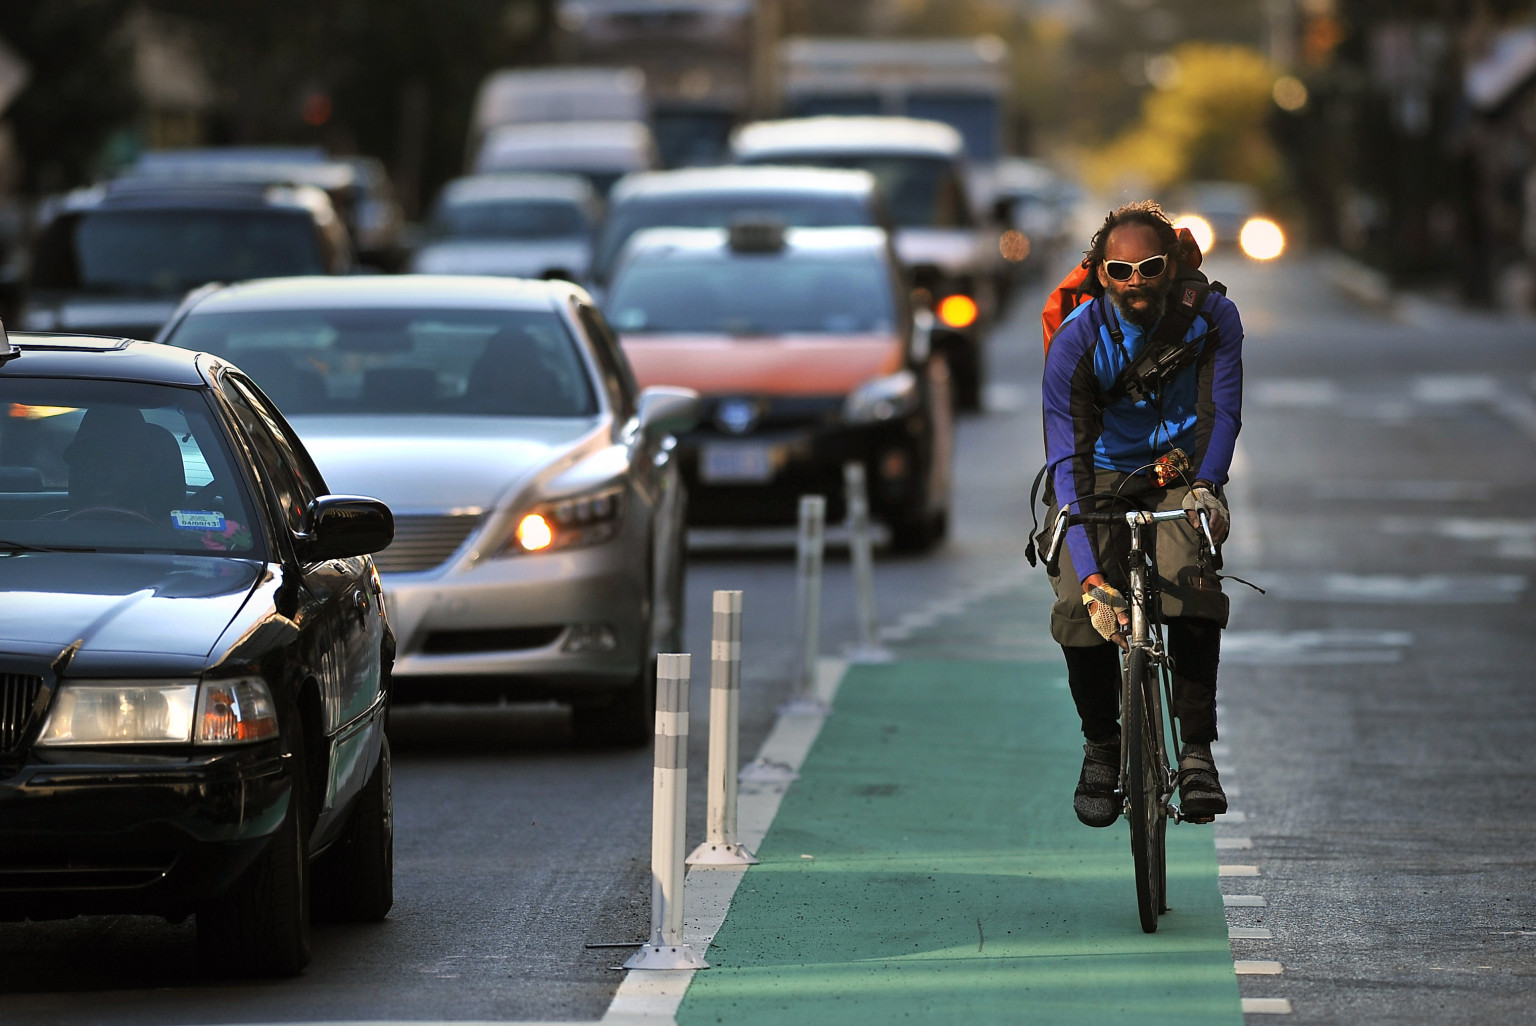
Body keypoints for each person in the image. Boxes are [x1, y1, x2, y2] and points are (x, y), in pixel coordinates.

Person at [1039, 199, 1243, 827]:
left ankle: (1197, 750)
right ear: (1101, 274)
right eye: (1121, 271)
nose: (1136, 282)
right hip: (1096, 476)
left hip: (1181, 472)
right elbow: (1066, 459)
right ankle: (1102, 746)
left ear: (1171, 266)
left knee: (1191, 579)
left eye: (1150, 268)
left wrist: (1207, 488)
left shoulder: (1212, 318)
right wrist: (1091, 578)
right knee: (1079, 606)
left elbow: (1221, 414)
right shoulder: (1076, 342)